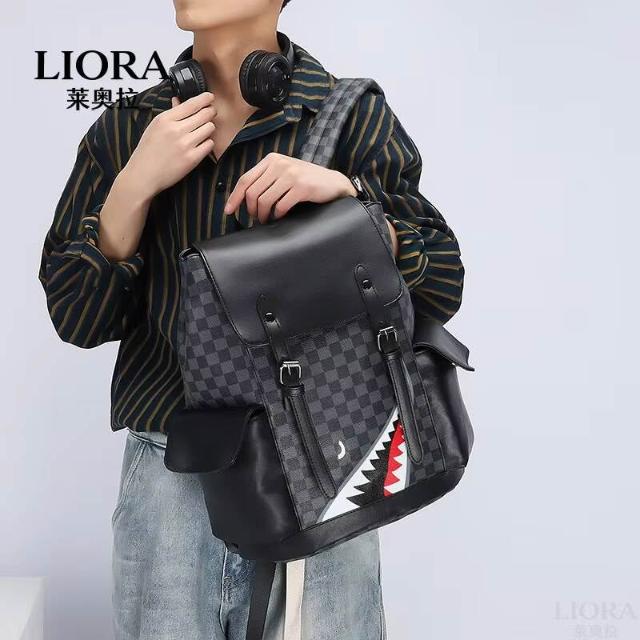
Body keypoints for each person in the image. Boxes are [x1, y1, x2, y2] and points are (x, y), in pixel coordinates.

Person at [38, 0, 465, 638]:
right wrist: (133, 187)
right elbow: (76, 318)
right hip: (170, 473)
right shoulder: (129, 128)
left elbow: (442, 286)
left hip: (325, 461)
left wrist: (353, 202)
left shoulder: (349, 114)